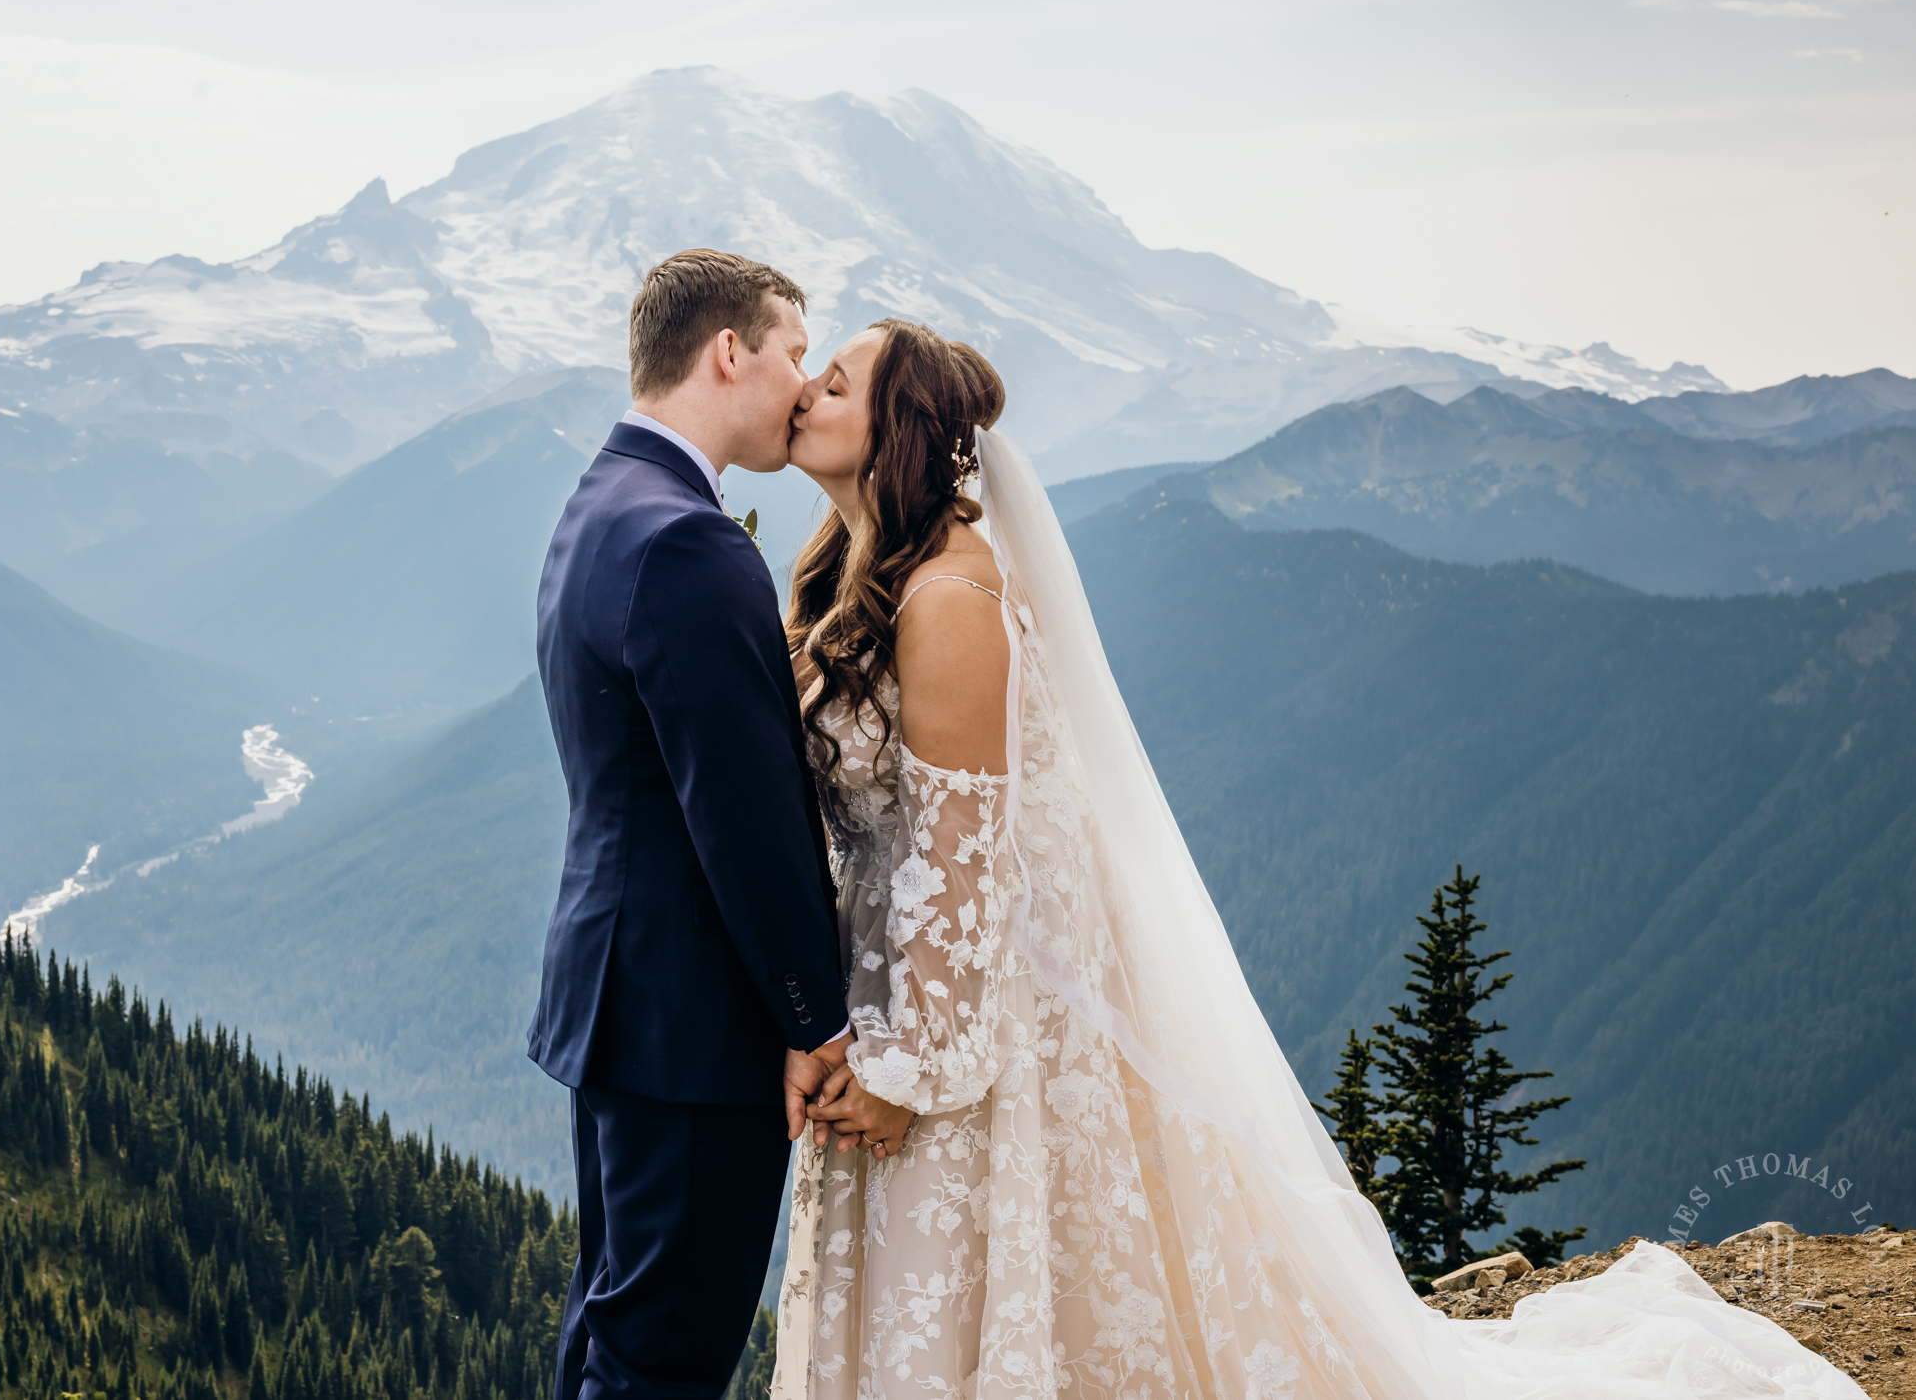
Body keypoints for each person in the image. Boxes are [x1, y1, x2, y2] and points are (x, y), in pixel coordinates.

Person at [770, 317, 1868, 1400]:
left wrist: (908, 1073)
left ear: (901, 428)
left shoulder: (947, 601)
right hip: (892, 1003)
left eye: (836, 380)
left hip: (956, 1028)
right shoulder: (865, 579)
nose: (808, 391)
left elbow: (964, 874)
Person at [529, 249, 853, 1400]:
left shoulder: (599, 501)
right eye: (795, 355)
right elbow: (744, 815)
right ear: (730, 350)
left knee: (614, 1326)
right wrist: (815, 1018)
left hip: (619, 1003)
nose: (802, 387)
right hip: (692, 1026)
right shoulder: (687, 538)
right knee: (664, 1354)